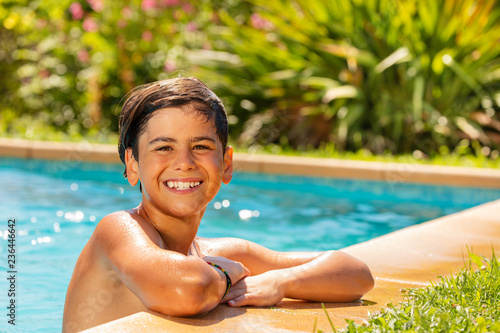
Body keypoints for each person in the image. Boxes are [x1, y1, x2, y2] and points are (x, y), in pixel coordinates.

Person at [62, 77, 374, 332]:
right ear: (132, 165)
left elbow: (355, 273)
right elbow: (187, 290)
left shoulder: (219, 254)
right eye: (163, 148)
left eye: (200, 146)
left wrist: (279, 281)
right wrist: (224, 277)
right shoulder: (118, 231)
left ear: (226, 164)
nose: (183, 163)